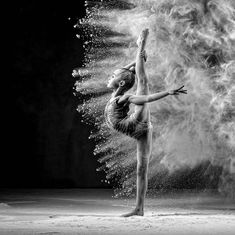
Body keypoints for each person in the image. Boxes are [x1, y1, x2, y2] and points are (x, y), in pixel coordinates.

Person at [104, 29, 187, 217]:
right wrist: (137, 60)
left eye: (112, 77)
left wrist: (167, 92)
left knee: (143, 83)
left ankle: (143, 41)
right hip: (139, 131)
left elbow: (146, 97)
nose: (110, 76)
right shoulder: (116, 93)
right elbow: (125, 73)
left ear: (121, 84)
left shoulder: (125, 98)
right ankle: (139, 208)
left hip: (136, 123)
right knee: (141, 169)